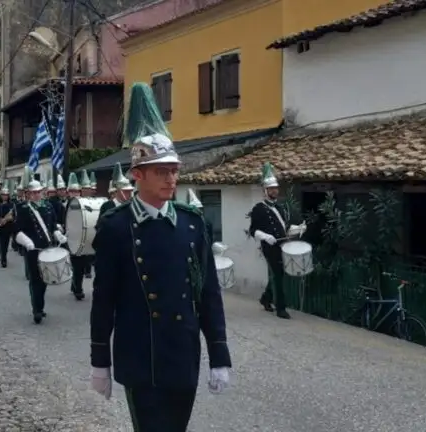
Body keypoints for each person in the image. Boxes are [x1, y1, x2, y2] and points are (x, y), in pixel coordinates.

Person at [89, 82, 231, 431]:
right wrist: (99, 361)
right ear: (137, 175)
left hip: (183, 354)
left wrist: (219, 355)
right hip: (141, 356)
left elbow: (208, 294)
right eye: (161, 171)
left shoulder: (192, 223)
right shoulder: (116, 227)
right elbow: (103, 299)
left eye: (174, 170)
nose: (171, 178)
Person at [248, 162, 305, 319]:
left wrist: (297, 229)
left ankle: (266, 298)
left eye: (276, 188)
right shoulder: (258, 208)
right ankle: (281, 309)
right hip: (269, 247)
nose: (275, 191)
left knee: (278, 273)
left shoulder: (279, 207)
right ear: (265, 191)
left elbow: (284, 226)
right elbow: (253, 230)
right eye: (271, 189)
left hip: (283, 244)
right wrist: (266, 237)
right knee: (278, 274)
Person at [13, 167, 67, 324]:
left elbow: (53, 225)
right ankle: (37, 309)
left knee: (45, 279)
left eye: (39, 192)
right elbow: (17, 230)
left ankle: (40, 306)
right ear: (28, 194)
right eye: (33, 192)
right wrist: (26, 241)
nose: (37, 194)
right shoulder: (23, 209)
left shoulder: (48, 206)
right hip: (33, 250)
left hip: (47, 248)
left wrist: (58, 234)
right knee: (35, 279)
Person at [64, 172, 86, 300]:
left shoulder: (84, 204)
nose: (75, 194)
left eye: (77, 192)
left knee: (81, 265)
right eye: (72, 192)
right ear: (68, 193)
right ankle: (78, 288)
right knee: (76, 264)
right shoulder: (68, 205)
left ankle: (76, 285)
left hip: (82, 237)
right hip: (71, 237)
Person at [0, 180, 15, 267]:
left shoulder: (12, 205)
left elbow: (14, 216)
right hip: (0, 227)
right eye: (3, 195)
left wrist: (9, 219)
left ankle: (4, 255)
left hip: (8, 227)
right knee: (1, 244)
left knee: (6, 244)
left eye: (6, 195)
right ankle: (3, 259)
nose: (4, 197)